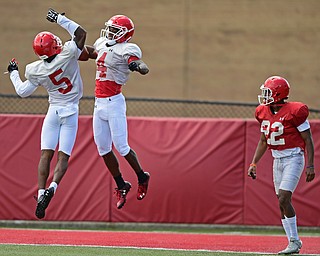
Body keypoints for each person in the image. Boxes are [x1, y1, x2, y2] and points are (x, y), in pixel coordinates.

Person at [6, 8, 87, 219]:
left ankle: (41, 193)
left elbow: (23, 92)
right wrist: (60, 19)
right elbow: (81, 34)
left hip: (53, 111)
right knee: (63, 157)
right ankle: (53, 188)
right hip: (70, 112)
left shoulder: (34, 69)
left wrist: (14, 72)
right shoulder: (68, 53)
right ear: (54, 47)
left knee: (45, 154)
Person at [81, 15, 150, 209]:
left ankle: (142, 176)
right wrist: (70, 50)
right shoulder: (103, 43)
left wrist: (139, 66)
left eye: (115, 30)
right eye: (110, 29)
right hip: (99, 103)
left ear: (125, 34)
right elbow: (95, 53)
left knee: (122, 147)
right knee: (103, 149)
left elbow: (135, 61)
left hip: (114, 103)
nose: (110, 32)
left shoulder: (128, 49)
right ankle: (121, 185)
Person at [247, 76, 315, 254]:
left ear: (278, 93)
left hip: (294, 157)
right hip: (277, 159)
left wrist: (310, 165)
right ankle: (292, 241)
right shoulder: (262, 112)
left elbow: (308, 139)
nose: (264, 95)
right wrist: (254, 162)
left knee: (284, 197)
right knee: (281, 202)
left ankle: (295, 241)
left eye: (268, 92)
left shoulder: (295, 111)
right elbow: (263, 141)